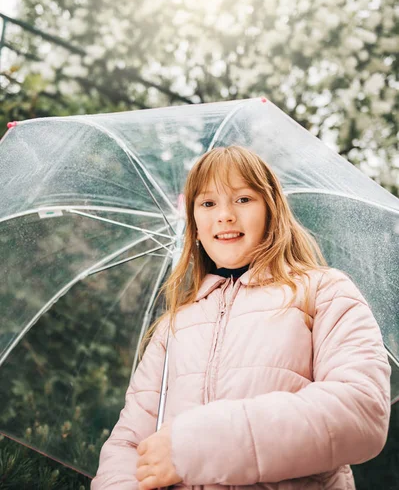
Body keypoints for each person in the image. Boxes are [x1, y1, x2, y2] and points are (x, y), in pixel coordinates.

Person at [92, 145, 391, 490]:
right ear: (194, 225)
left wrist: (198, 445)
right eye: (207, 203)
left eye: (243, 199)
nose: (224, 216)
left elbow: (360, 411)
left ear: (271, 209)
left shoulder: (324, 292)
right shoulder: (174, 325)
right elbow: (128, 444)